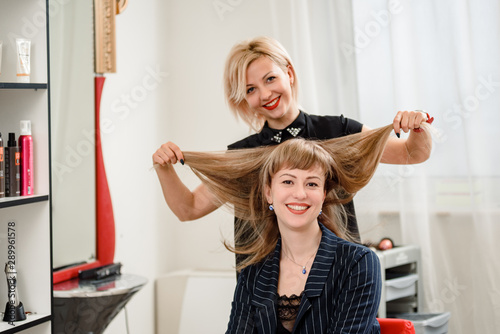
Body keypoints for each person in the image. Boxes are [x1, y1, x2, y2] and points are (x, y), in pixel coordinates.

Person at [152, 36, 433, 245]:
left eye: (270, 78)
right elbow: (188, 209)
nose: (264, 94)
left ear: (289, 73)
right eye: (251, 89)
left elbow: (412, 154)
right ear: (243, 99)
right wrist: (164, 168)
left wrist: (417, 124)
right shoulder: (241, 157)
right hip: (263, 295)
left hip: (337, 281)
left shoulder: (340, 131)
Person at [177, 123, 414, 333]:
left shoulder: (358, 263)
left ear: (323, 195)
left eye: (311, 183)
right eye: (288, 181)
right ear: (269, 193)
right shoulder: (253, 273)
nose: (300, 194)